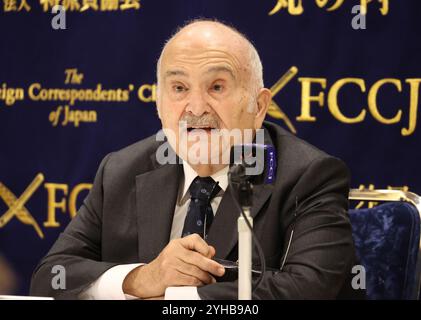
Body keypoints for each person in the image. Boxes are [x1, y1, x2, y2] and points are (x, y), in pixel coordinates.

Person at [30, 19, 362, 300]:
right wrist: (141, 279)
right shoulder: (121, 169)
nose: (196, 107)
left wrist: (176, 294)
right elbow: (51, 275)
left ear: (259, 106)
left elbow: (310, 289)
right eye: (178, 88)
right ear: (159, 104)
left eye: (217, 87)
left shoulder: (308, 175)